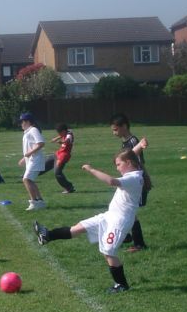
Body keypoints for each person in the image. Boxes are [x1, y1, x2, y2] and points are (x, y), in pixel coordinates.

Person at [33, 149, 145, 293]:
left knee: (108, 252)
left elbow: (111, 181)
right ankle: (47, 236)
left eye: (118, 164)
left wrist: (91, 169)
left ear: (129, 163)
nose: (117, 168)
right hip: (109, 216)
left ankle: (121, 285)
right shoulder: (133, 174)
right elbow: (131, 153)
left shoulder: (134, 177)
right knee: (79, 227)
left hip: (119, 221)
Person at [110, 113, 150, 251]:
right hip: (132, 180)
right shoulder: (126, 141)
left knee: (130, 213)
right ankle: (126, 236)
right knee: (125, 210)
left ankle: (138, 243)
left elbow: (137, 161)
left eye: (115, 129)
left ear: (124, 126)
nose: (114, 132)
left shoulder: (133, 141)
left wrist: (146, 180)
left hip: (137, 181)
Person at [18, 112, 46, 210]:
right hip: (31, 160)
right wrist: (24, 158)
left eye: (23, 121)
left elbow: (41, 143)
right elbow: (30, 147)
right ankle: (40, 201)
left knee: (26, 179)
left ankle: (34, 202)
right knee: (30, 180)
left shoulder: (33, 130)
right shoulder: (27, 132)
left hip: (36, 160)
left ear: (28, 122)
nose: (21, 124)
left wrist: (29, 154)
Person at [42, 123, 76, 194]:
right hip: (59, 153)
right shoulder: (66, 132)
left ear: (63, 131)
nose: (59, 134)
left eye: (60, 132)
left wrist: (61, 142)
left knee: (57, 172)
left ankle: (69, 187)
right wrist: (56, 138)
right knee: (46, 163)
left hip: (64, 156)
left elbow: (67, 140)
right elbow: (62, 135)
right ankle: (32, 174)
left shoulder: (69, 135)